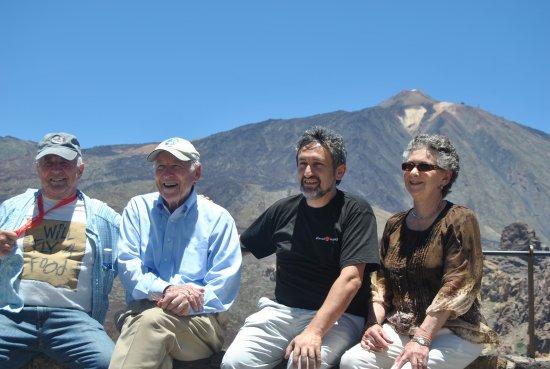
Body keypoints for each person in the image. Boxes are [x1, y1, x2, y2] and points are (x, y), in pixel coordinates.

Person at [222, 126, 380, 369]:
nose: (308, 172)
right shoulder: (283, 210)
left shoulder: (355, 212)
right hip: (282, 312)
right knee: (235, 363)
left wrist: (315, 331)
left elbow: (351, 279)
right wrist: (207, 219)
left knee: (303, 364)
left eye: (317, 165)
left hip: (338, 318)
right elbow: (239, 248)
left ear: (339, 171)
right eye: (302, 164)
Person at [340, 134, 498, 369]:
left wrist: (422, 339)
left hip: (453, 332)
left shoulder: (460, 219)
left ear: (445, 177)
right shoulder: (395, 224)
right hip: (402, 327)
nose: (413, 172)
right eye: (408, 166)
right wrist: (373, 324)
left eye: (424, 166)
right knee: (353, 361)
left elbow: (458, 284)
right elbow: (381, 282)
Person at [109, 137, 242, 369]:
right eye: (161, 167)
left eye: (176, 167)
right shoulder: (137, 209)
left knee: (150, 323)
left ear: (196, 173)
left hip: (200, 321)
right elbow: (128, 266)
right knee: (147, 322)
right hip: (144, 311)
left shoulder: (218, 219)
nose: (167, 174)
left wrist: (187, 301)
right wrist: (167, 290)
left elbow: (224, 286)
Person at [0, 132, 120, 369]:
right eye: (48, 162)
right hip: (13, 316)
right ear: (37, 168)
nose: (56, 170)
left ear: (80, 169)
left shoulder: (103, 217)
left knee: (109, 363)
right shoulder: (11, 209)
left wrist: (199, 203)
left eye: (64, 163)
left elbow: (142, 241)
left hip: (74, 322)